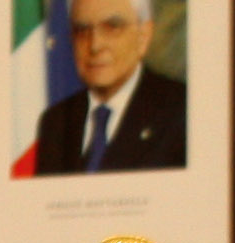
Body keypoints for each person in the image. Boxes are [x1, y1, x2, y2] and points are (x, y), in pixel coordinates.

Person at [31, 0, 185, 173]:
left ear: (144, 36)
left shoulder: (183, 113)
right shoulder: (55, 123)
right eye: (82, 30)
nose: (95, 45)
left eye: (112, 27)